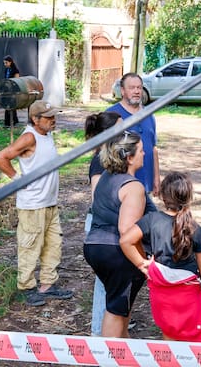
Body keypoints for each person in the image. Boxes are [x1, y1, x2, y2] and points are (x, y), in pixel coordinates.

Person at [0, 100, 73, 307]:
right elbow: (0, 158)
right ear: (35, 119)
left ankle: (48, 284)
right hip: (32, 204)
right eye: (48, 117)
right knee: (30, 246)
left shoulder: (47, 135)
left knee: (53, 244)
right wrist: (18, 179)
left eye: (53, 116)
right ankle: (26, 287)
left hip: (49, 202)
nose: (53, 120)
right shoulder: (29, 137)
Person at [120, 171, 201, 342]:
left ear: (162, 196)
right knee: (195, 337)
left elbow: (126, 240)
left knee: (169, 331)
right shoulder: (194, 228)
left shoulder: (151, 220)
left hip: (161, 291)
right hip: (188, 293)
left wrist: (142, 264)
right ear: (188, 197)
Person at [83, 130, 150, 337]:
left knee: (121, 306)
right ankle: (109, 355)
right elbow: (126, 231)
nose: (145, 154)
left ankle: (123, 350)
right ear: (129, 157)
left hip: (94, 246)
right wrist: (142, 262)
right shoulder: (133, 187)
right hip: (116, 253)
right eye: (140, 150)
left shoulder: (106, 177)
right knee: (115, 309)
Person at [83, 111, 123, 336]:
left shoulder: (112, 157)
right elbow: (98, 197)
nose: (125, 131)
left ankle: (113, 323)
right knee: (105, 283)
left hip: (112, 224)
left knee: (115, 280)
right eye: (120, 127)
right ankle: (99, 332)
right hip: (103, 227)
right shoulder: (99, 161)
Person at [108, 73, 161, 197]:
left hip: (146, 184)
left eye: (139, 87)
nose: (137, 91)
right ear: (122, 90)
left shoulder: (149, 114)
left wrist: (156, 177)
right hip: (122, 186)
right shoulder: (112, 115)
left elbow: (153, 148)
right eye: (132, 88)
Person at [2, 55, 20, 128]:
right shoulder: (6, 70)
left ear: (10, 62)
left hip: (12, 89)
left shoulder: (15, 70)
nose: (5, 64)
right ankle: (7, 122)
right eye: (4, 63)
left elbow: (16, 80)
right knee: (6, 106)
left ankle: (14, 121)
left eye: (6, 63)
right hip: (6, 89)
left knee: (12, 106)